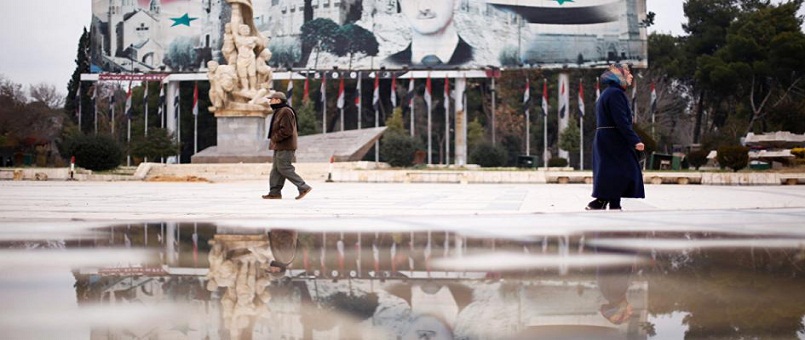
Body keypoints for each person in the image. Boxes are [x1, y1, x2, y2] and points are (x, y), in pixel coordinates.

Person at [588, 63, 645, 210]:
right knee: (625, 171)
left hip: (607, 138)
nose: (631, 76)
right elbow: (621, 121)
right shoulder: (615, 94)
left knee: (613, 171)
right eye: (627, 73)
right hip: (613, 139)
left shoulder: (609, 93)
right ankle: (601, 201)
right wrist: (635, 140)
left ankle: (612, 204)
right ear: (619, 76)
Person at [386, 0, 473, 67]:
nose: (423, 8)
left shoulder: (476, 58)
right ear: (401, 4)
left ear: (456, 2)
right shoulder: (390, 62)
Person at [262, 92, 313, 200]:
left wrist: (275, 138)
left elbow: (287, 130)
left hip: (285, 145)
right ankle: (274, 192)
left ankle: (303, 187)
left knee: (284, 167)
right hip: (279, 145)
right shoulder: (279, 111)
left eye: (272, 99)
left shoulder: (285, 111)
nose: (270, 101)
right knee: (276, 169)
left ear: (278, 100)